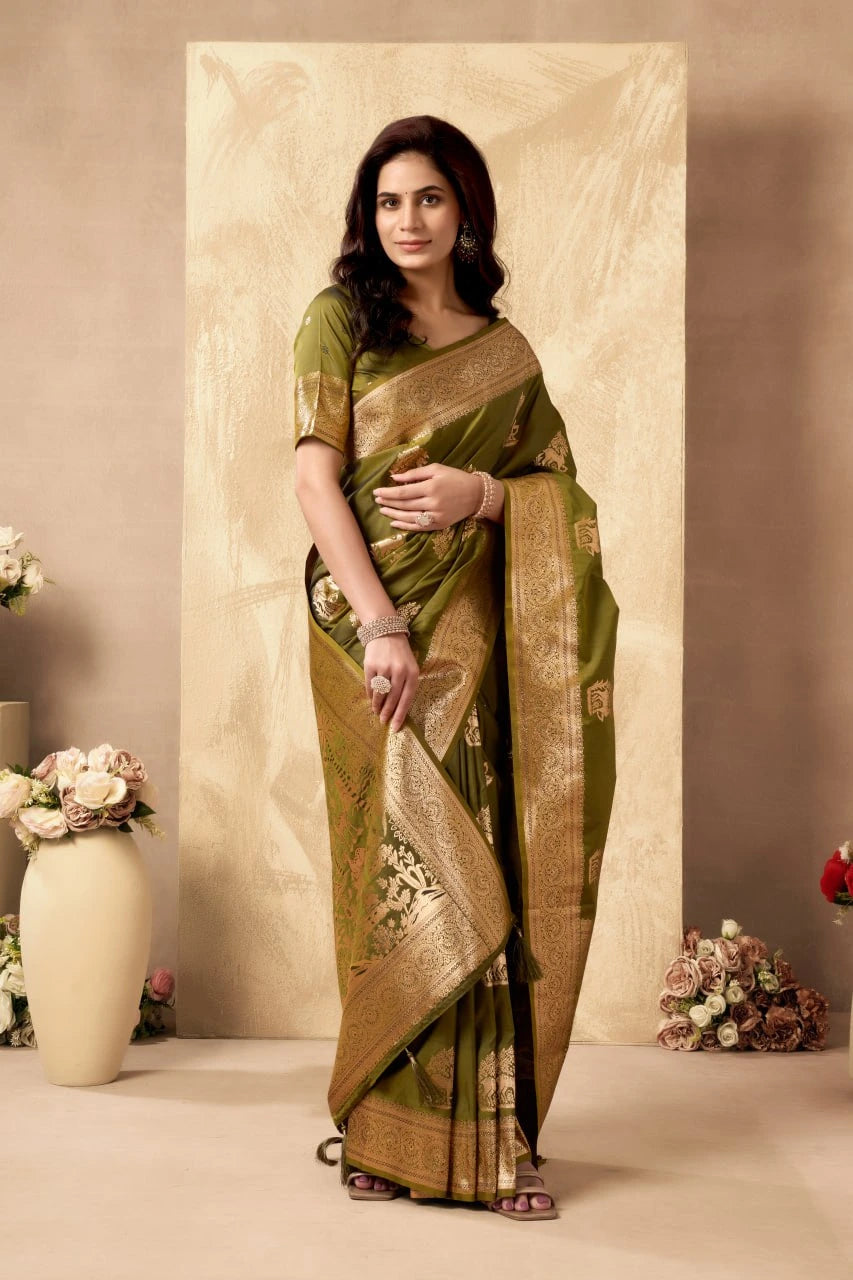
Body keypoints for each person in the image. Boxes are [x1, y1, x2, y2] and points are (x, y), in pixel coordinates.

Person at [293, 115, 619, 1220]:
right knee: (394, 872)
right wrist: (382, 624)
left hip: (473, 628)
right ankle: (388, 1132)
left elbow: (557, 498)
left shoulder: (506, 351)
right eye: (387, 201)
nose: (407, 221)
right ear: (365, 215)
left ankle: (488, 1149)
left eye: (427, 198)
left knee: (478, 857)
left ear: (463, 206)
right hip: (365, 624)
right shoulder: (339, 320)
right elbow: (311, 485)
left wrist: (483, 497)